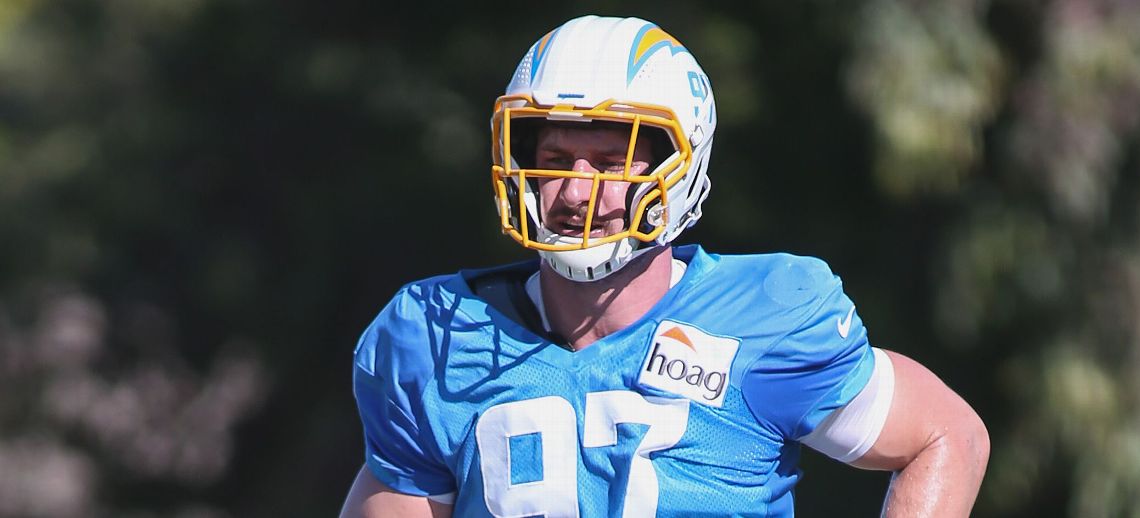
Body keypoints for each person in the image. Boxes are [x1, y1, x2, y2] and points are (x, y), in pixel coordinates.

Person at [341, 15, 988, 518]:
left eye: (609, 163)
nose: (574, 192)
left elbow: (947, 437)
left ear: (677, 172)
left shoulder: (766, 317)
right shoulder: (434, 338)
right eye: (557, 158)